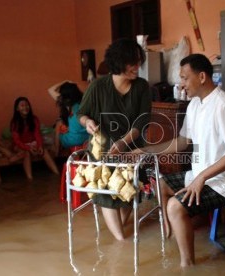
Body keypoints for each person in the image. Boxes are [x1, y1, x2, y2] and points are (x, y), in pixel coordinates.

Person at [133, 54, 225, 267]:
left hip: (224, 182)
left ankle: (187, 265)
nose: (181, 84)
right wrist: (145, 151)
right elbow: (182, 141)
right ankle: (173, 230)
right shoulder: (195, 104)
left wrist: (202, 177)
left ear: (202, 76)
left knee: (174, 207)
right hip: (199, 176)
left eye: (185, 78)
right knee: (160, 185)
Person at [77, 38, 152, 241]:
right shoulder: (98, 87)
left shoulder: (142, 87)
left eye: (139, 62)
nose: (137, 68)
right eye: (132, 63)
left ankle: (120, 237)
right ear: (118, 63)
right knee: (106, 192)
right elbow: (81, 114)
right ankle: (121, 241)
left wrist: (123, 143)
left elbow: (142, 122)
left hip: (132, 148)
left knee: (130, 192)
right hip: (103, 151)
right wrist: (88, 122)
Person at [10, 96, 59, 180]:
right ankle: (30, 178)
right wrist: (28, 148)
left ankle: (57, 173)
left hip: (33, 143)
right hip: (20, 145)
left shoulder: (34, 119)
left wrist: (39, 145)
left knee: (44, 151)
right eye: (22, 105)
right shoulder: (15, 122)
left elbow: (37, 134)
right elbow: (17, 140)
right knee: (27, 154)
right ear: (17, 109)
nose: (25, 107)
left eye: (27, 105)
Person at [48, 81, 89, 155]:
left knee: (58, 126)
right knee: (62, 124)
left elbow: (50, 90)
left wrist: (65, 81)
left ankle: (56, 150)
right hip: (87, 138)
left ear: (64, 95)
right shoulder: (84, 102)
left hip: (74, 140)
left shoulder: (68, 104)